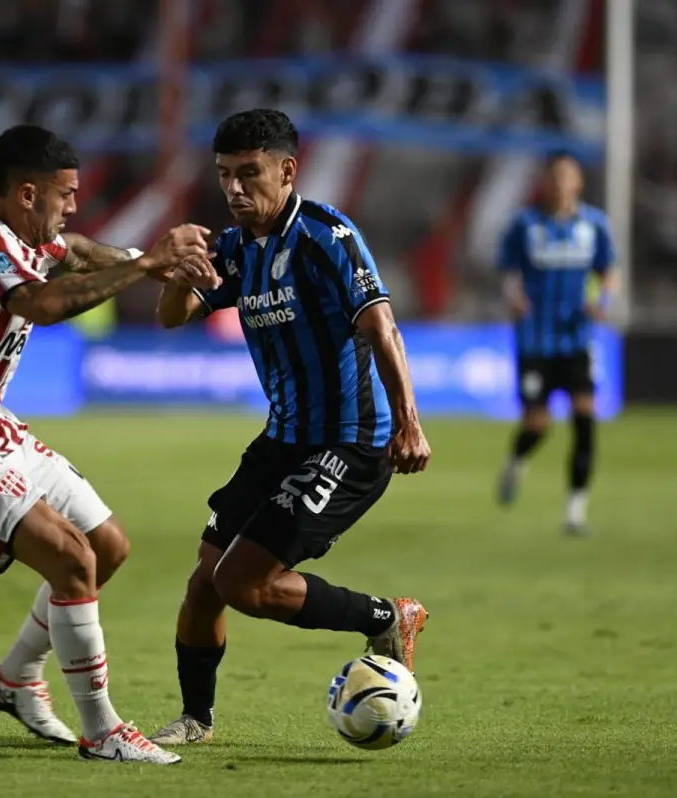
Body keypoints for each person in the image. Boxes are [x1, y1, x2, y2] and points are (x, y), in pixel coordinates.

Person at [0, 123, 211, 764]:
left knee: (107, 547)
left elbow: (79, 251)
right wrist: (146, 264)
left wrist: (150, 260)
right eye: (65, 193)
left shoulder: (24, 234)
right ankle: (102, 731)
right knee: (71, 559)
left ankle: (15, 678)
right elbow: (40, 305)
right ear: (27, 193)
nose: (73, 204)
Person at [147, 109, 431, 747]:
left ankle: (386, 617)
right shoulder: (234, 247)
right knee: (205, 582)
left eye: (249, 173)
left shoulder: (326, 237)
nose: (234, 188)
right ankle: (196, 720)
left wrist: (409, 425)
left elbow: (381, 325)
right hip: (283, 439)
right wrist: (178, 281)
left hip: (349, 442)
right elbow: (172, 316)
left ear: (287, 171)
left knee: (241, 584)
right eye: (224, 175)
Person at [495, 151, 616, 536]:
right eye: (555, 176)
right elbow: (507, 270)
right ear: (545, 182)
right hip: (535, 340)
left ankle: (575, 512)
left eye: (568, 176)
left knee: (585, 417)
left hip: (577, 339)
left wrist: (603, 300)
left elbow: (608, 271)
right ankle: (516, 458)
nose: (562, 183)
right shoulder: (525, 224)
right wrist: (513, 296)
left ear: (578, 182)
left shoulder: (594, 225)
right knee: (538, 424)